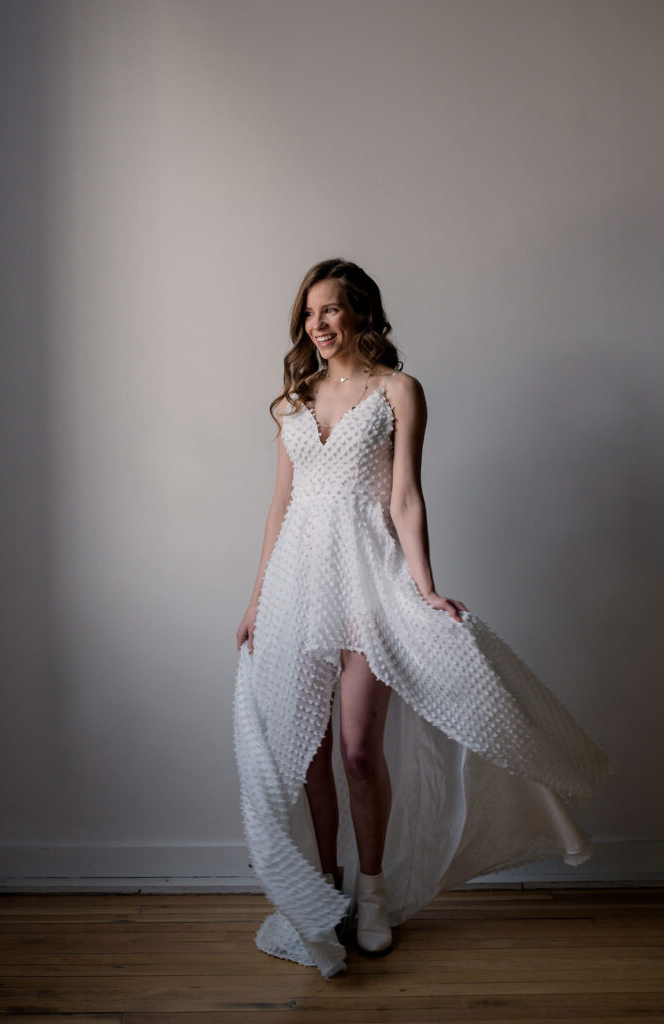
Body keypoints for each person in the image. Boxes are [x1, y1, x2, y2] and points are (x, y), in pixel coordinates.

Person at [233, 257, 617, 979]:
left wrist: (425, 588)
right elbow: (279, 507)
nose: (317, 325)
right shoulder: (292, 400)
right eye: (308, 313)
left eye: (330, 310)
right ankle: (322, 895)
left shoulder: (397, 391)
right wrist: (256, 600)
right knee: (306, 753)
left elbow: (404, 498)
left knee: (355, 752)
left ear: (361, 314)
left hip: (367, 584)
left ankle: (373, 894)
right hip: (294, 586)